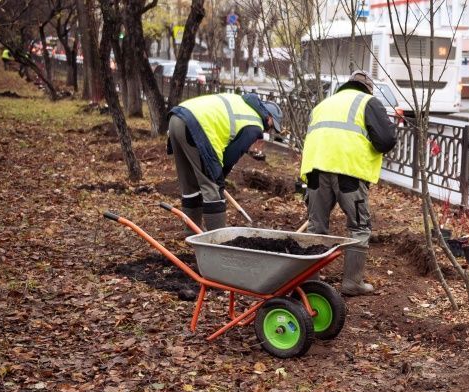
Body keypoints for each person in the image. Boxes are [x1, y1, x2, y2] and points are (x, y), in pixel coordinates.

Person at [300, 71, 398, 296]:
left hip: (315, 169)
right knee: (359, 227)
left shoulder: (324, 104)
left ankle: (312, 282)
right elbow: (386, 140)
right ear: (368, 88)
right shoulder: (368, 102)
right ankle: (352, 283)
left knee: (317, 226)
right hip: (348, 172)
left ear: (346, 85)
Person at [167, 93, 283, 232]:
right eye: (272, 125)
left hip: (177, 118)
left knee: (190, 184)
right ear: (269, 117)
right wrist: (219, 179)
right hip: (196, 127)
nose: (269, 129)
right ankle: (218, 239)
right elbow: (231, 155)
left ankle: (192, 232)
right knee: (213, 188)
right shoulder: (254, 125)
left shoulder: (242, 103)